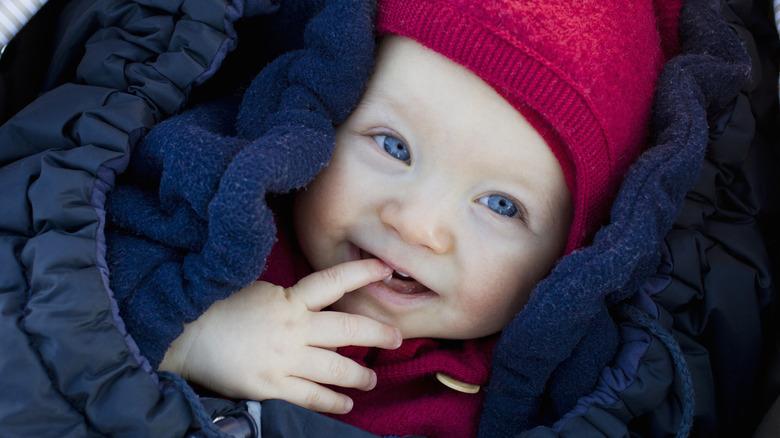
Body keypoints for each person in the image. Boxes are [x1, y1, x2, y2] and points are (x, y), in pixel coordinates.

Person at [153, 0, 683, 436]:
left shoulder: (545, 398)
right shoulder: (214, 218)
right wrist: (192, 338)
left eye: (502, 205)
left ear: (571, 257)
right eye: (393, 146)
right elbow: (80, 297)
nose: (416, 225)